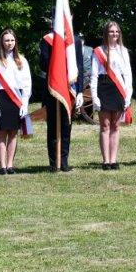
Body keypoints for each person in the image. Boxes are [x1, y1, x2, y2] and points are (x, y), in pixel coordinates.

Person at [0, 29, 31, 174]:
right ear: (2, 42)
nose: (9, 43)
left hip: (16, 100)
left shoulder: (22, 60)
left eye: (12, 40)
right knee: (1, 133)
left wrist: (25, 103)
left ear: (15, 42)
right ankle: (2, 166)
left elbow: (27, 84)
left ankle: (10, 165)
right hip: (1, 99)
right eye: (6, 40)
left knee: (13, 133)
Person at [40, 29, 85, 172]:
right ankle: (54, 162)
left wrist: (80, 91)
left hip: (69, 89)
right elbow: (42, 64)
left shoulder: (75, 40)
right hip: (52, 88)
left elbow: (79, 66)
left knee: (66, 126)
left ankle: (64, 161)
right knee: (53, 126)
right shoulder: (47, 39)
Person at [90, 21, 132, 170]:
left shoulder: (123, 50)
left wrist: (128, 95)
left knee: (115, 125)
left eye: (116, 32)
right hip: (104, 87)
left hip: (118, 89)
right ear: (106, 34)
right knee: (105, 126)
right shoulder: (98, 51)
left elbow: (128, 74)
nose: (114, 34)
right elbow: (94, 75)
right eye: (111, 31)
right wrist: (95, 96)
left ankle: (113, 160)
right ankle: (105, 160)